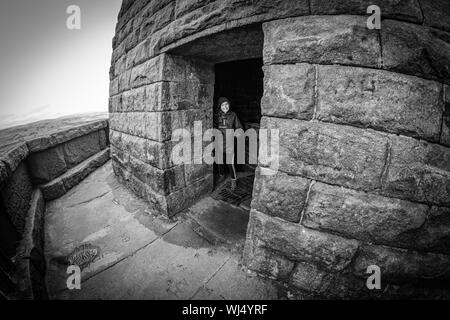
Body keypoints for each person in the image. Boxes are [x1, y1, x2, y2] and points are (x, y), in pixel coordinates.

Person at [214, 97, 243, 191]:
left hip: (229, 142)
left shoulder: (233, 115)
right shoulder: (216, 116)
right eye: (223, 105)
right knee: (220, 161)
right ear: (220, 106)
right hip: (219, 142)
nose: (225, 106)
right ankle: (222, 175)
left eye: (226, 104)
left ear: (229, 105)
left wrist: (238, 132)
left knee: (230, 163)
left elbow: (239, 127)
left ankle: (233, 180)